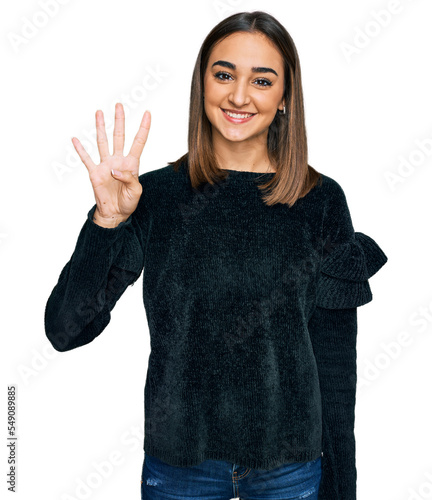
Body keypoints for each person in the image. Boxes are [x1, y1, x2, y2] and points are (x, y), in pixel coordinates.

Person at [44, 10, 388, 500]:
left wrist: (341, 488)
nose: (239, 95)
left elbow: (335, 365)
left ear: (285, 97)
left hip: (289, 470)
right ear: (201, 83)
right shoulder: (153, 197)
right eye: (224, 74)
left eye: (262, 80)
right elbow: (65, 329)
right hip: (179, 467)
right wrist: (107, 221)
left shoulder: (320, 201)